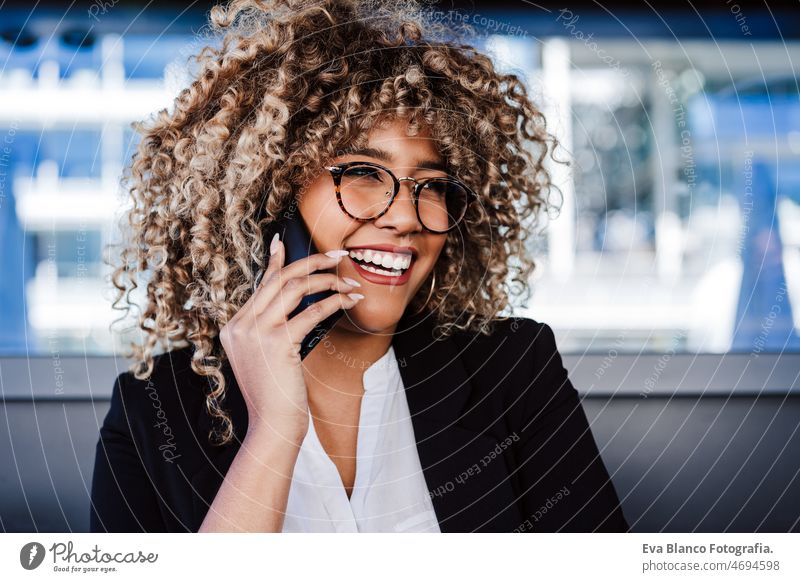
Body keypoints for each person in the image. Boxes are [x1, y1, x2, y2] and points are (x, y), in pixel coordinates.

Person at [89, 0, 629, 533]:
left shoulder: (514, 368)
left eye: (432, 184)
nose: (405, 218)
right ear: (273, 196)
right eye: (364, 172)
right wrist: (274, 433)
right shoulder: (153, 412)